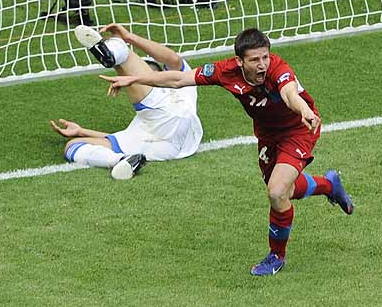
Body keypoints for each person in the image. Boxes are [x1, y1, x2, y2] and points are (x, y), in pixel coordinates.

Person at [102, 28, 353, 277]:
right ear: (239, 61)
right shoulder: (225, 71)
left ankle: (276, 256)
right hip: (267, 134)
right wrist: (134, 79)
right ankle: (328, 185)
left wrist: (304, 110)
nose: (262, 65)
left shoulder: (278, 69)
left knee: (277, 191)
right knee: (282, 191)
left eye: (265, 57)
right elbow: (179, 79)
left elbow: (289, 94)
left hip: (299, 128)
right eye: (255, 60)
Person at [51, 24, 203, 180]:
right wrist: (81, 131)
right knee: (73, 145)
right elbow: (119, 138)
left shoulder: (163, 95)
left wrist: (128, 39)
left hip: (168, 145)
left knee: (123, 55)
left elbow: (171, 61)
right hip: (179, 145)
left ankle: (114, 51)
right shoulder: (147, 121)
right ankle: (121, 161)